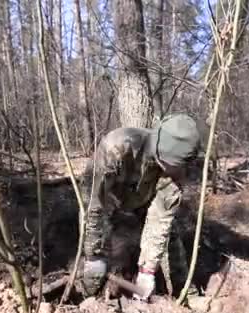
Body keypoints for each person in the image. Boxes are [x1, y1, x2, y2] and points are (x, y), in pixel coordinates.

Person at [80, 113, 202, 301]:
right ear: (164, 155)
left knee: (171, 238)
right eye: (176, 166)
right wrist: (93, 254)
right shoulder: (117, 148)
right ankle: (86, 296)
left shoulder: (175, 174)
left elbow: (160, 220)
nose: (180, 173)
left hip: (144, 201)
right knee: (95, 264)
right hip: (110, 200)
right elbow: (93, 204)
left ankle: (184, 294)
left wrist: (147, 270)